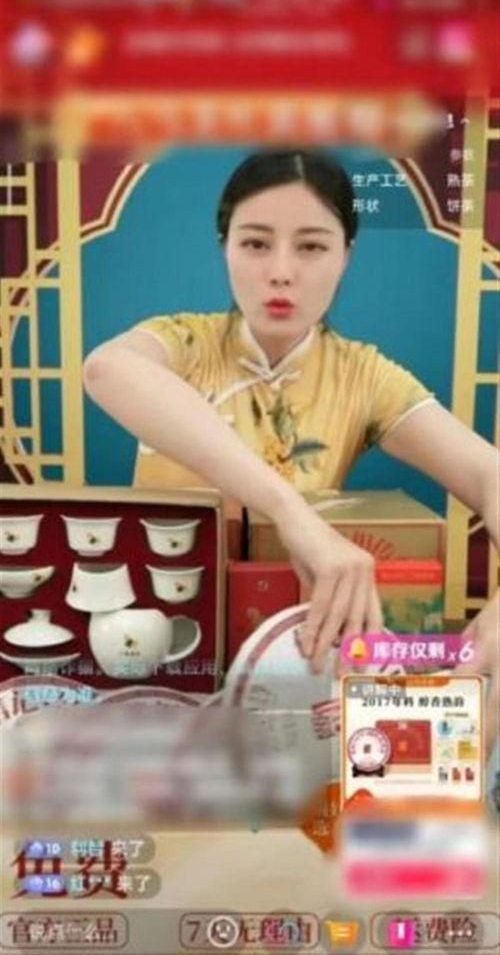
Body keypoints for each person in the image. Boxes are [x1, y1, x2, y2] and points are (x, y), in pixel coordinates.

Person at [83, 148, 498, 751]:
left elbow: (489, 476)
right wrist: (292, 512)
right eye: (255, 243)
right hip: (161, 647)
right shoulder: (185, 343)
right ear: (224, 247)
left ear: (346, 255)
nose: (281, 272)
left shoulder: (364, 376)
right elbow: (106, 369)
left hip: (289, 668)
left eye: (311, 247)